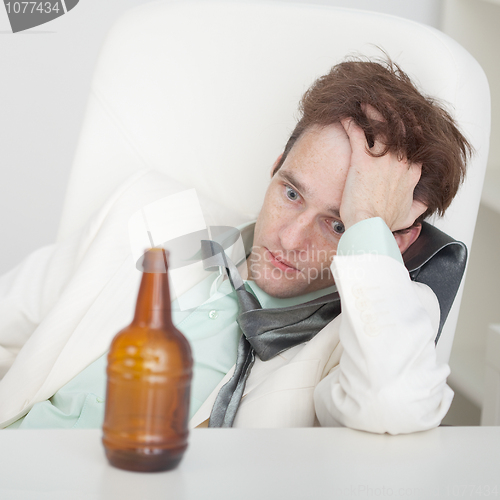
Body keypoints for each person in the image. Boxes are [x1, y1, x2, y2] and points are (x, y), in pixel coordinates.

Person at [0, 58, 471, 433]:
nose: (290, 239)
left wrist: (367, 224)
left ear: (397, 241)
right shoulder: (145, 210)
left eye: (338, 225)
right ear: (275, 166)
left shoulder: (383, 325)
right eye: (291, 193)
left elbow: (394, 405)